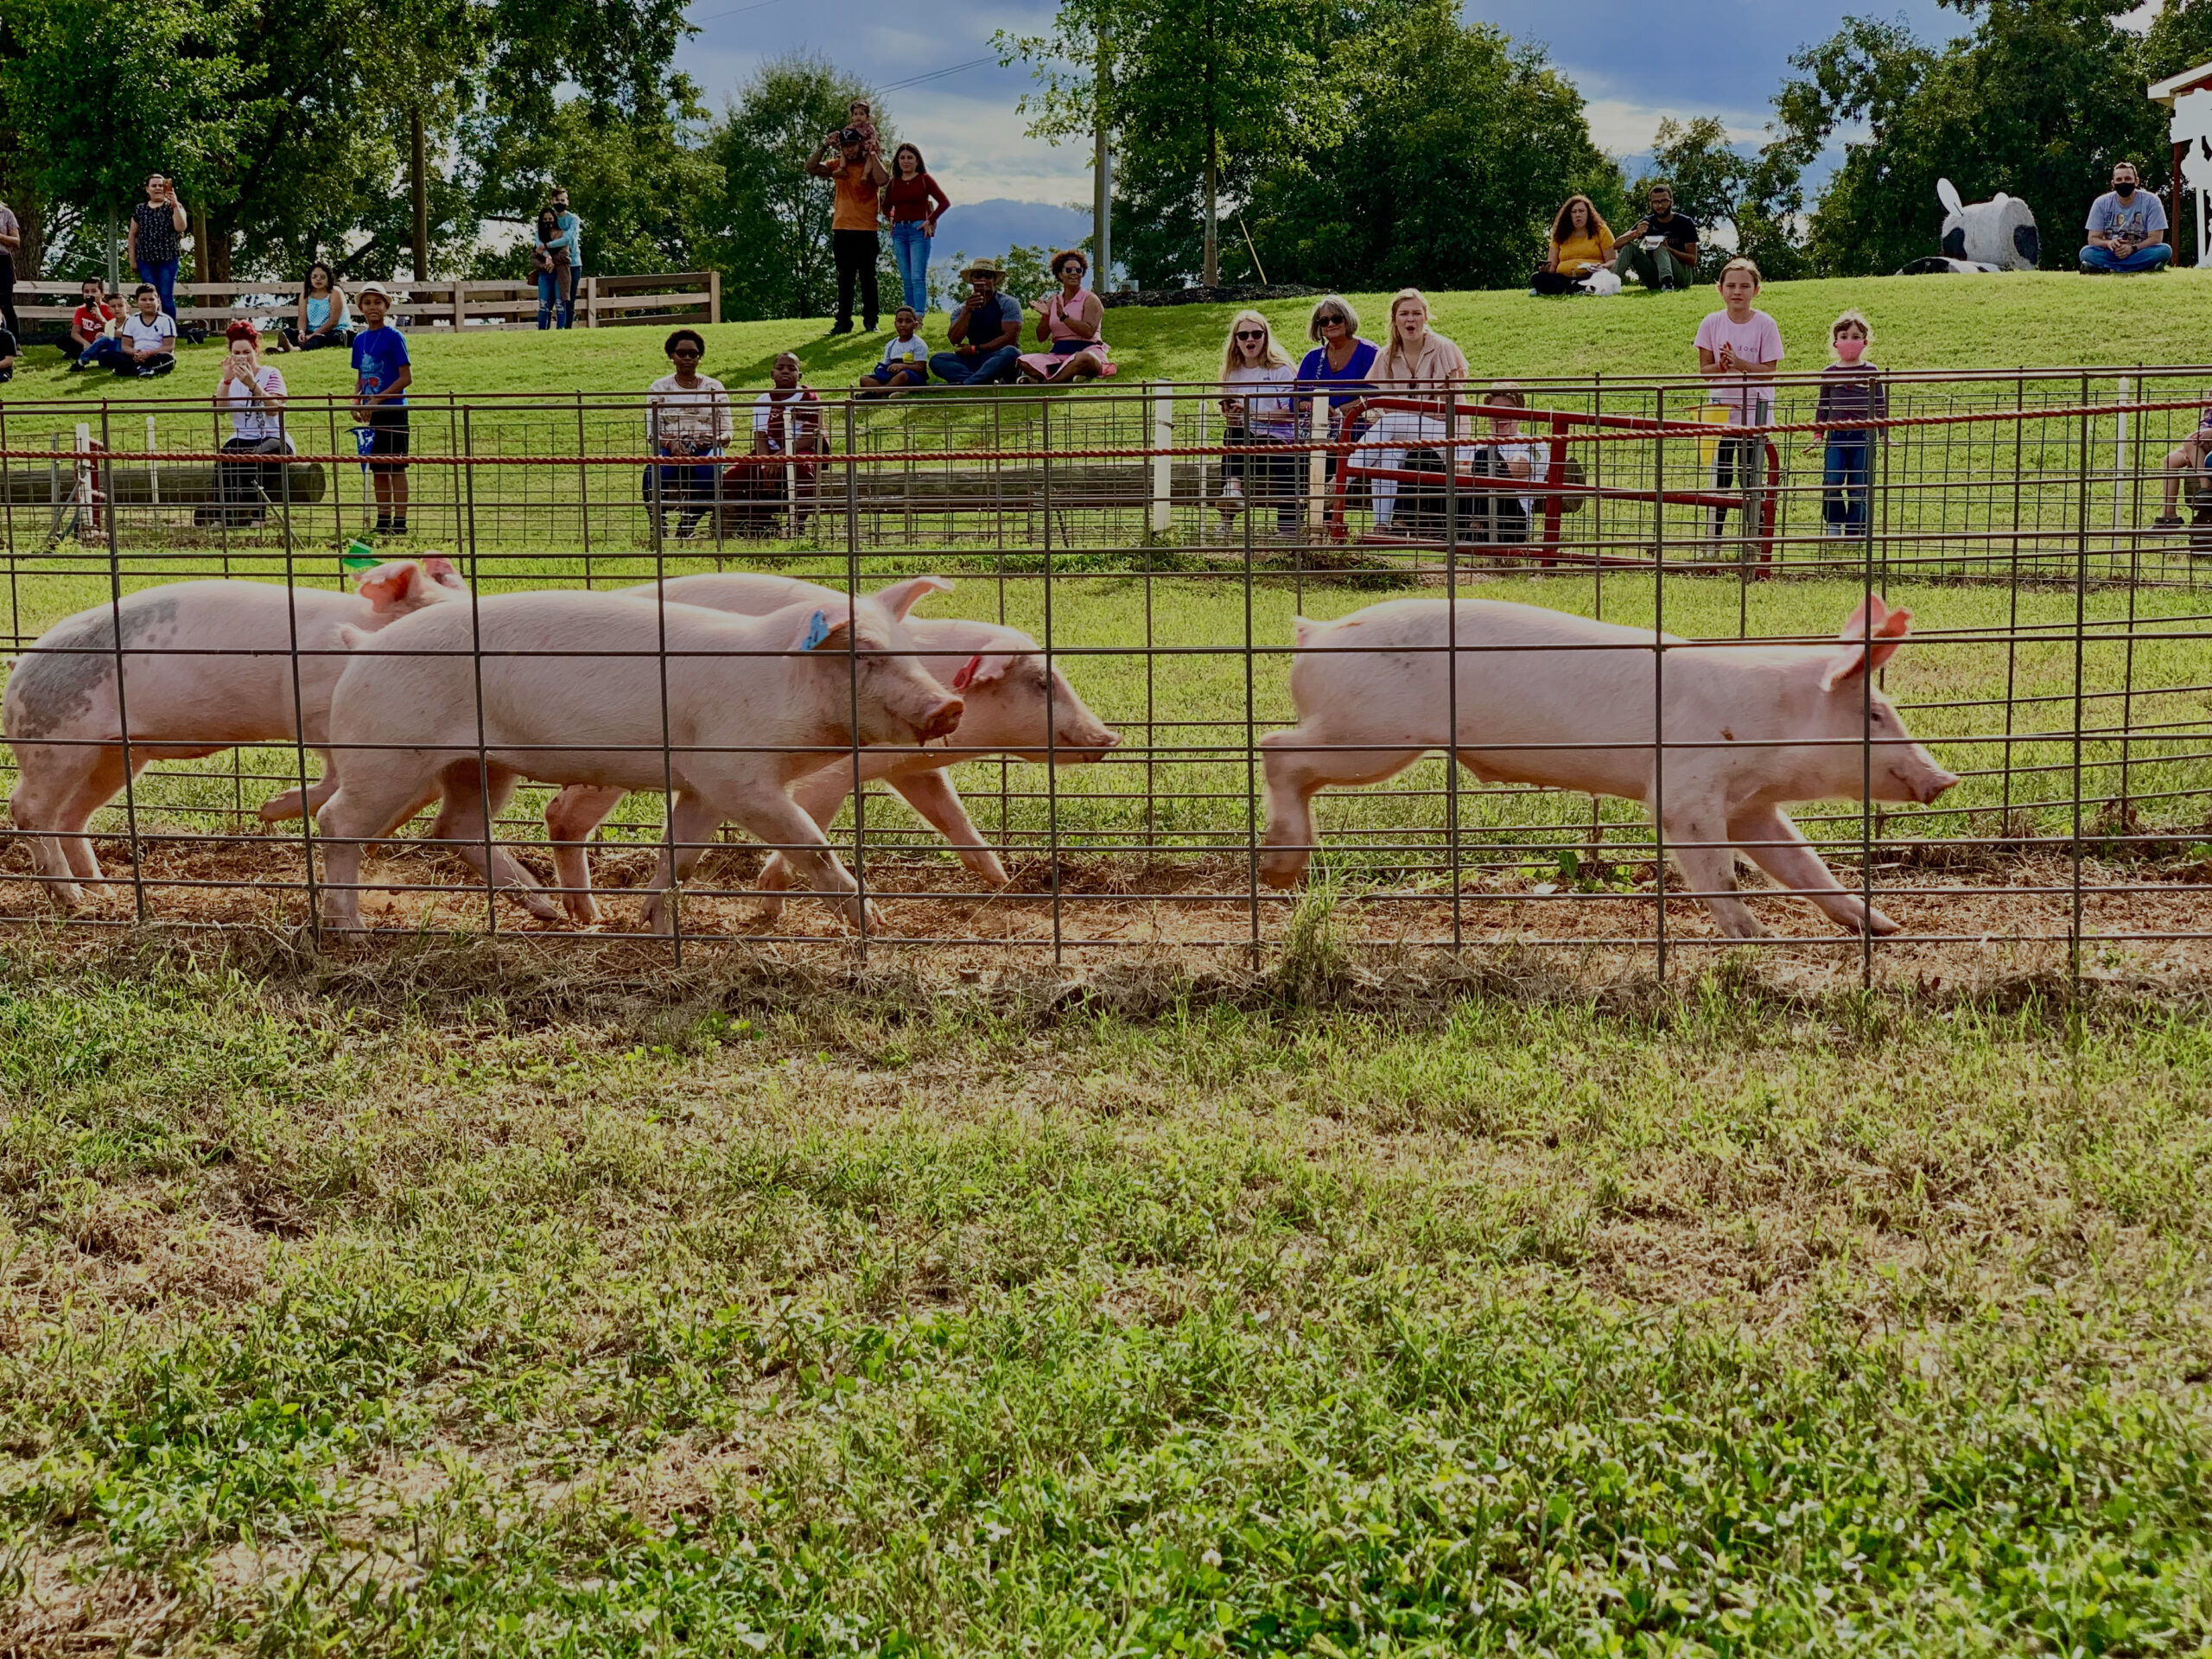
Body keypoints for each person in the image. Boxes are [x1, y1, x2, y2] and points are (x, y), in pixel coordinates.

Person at [1694, 257, 1783, 543]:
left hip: (1753, 416)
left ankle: (1753, 543)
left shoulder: (1766, 324)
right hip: (1721, 415)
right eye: (1731, 285)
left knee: (1750, 479)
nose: (1737, 292)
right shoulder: (1711, 322)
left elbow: (1769, 372)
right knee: (1720, 479)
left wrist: (1740, 362)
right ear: (1719, 289)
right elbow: (1705, 372)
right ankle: (1713, 542)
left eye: (1745, 286)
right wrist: (1722, 365)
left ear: (1756, 290)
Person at [1366, 288, 1468, 531]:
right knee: (1387, 453)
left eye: (1416, 313)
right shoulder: (1385, 356)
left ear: (1426, 317)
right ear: (1395, 320)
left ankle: (1340, 481)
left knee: (1389, 426)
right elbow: (1386, 407)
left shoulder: (1444, 348)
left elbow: (1450, 405)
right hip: (1406, 437)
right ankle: (1383, 525)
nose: (1410, 319)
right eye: (1403, 314)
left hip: (1447, 433)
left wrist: (1403, 417)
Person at [1213, 308, 1300, 532]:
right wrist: (1232, 415)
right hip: (1247, 443)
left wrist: (1251, 413)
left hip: (1281, 441)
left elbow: (1292, 412)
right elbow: (1234, 422)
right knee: (1232, 436)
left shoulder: (1280, 370)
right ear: (1236, 341)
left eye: (1256, 334)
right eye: (1243, 335)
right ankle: (1230, 502)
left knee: (1286, 462)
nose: (1250, 339)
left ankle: (1288, 528)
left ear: (1265, 337)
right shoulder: (1232, 373)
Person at [1804, 309, 1887, 537]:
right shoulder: (1829, 373)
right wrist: (1817, 436)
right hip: (1836, 436)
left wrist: (1883, 434)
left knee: (1860, 485)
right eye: (1844, 336)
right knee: (1832, 480)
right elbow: (1823, 407)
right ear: (1835, 341)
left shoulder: (1871, 371)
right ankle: (1833, 524)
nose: (1849, 341)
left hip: (1863, 436)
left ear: (1864, 341)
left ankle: (1855, 531)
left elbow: (1880, 405)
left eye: (1854, 336)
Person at [723, 351, 824, 534]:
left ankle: (797, 524)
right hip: (768, 452)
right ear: (772, 374)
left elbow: (811, 437)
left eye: (791, 369)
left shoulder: (808, 398)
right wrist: (765, 463)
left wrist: (783, 455)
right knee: (733, 476)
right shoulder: (763, 401)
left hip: (799, 451)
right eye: (780, 368)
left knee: (803, 469)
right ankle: (762, 521)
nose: (785, 372)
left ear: (799, 375)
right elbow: (760, 436)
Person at [646, 327, 731, 539]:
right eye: (681, 353)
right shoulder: (659, 388)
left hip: (706, 450)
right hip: (671, 449)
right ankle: (659, 525)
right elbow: (652, 432)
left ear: (700, 357)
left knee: (709, 471)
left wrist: (715, 440)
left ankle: (687, 525)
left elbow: (728, 431)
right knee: (653, 472)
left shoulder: (715, 387)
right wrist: (671, 444)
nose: (687, 358)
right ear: (671, 356)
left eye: (693, 354)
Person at [1294, 296, 1381, 499]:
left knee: (1331, 453)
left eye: (1336, 318)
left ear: (1347, 319)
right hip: (1318, 433)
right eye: (1324, 321)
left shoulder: (1369, 353)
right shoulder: (1312, 358)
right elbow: (1295, 400)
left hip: (1356, 430)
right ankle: (1299, 524)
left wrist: (1339, 412)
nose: (1330, 324)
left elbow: (1375, 395)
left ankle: (1330, 511)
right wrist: (1316, 407)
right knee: (1295, 458)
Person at [806, 125, 888, 334]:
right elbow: (810, 167)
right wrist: (825, 145)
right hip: (842, 228)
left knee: (868, 278)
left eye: (852, 145)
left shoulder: (870, 163)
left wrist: (872, 153)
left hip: (867, 229)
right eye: (845, 147)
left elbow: (883, 179)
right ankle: (843, 323)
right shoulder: (838, 166)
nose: (849, 150)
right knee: (845, 279)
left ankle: (871, 321)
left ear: (860, 143)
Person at [213, 321, 291, 527]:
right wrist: (227, 381)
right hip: (241, 436)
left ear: (256, 350)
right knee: (223, 458)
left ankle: (258, 516)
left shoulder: (271, 373)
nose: (242, 357)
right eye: (236, 352)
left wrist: (252, 384)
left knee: (253, 457)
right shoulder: (229, 380)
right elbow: (219, 410)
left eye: (247, 351)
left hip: (273, 436)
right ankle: (222, 515)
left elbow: (274, 408)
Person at [350, 282, 413, 536]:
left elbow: (405, 377)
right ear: (361, 308)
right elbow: (360, 377)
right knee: (377, 467)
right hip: (372, 412)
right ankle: (382, 519)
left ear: (386, 306)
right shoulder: (359, 340)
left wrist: (379, 400)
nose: (373, 307)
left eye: (378, 302)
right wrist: (357, 401)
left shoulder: (395, 337)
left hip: (394, 409)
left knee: (395, 466)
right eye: (368, 303)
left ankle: (400, 522)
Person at [1017, 250, 1112, 383]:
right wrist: (1046, 317)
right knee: (1024, 361)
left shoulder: (1091, 299)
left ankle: (1047, 382)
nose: (1074, 273)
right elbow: (1041, 337)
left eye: (1078, 270)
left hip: (1086, 351)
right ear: (1060, 274)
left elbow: (1089, 332)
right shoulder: (1053, 302)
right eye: (1069, 270)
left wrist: (1064, 318)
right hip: (1058, 355)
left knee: (1085, 359)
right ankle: (1068, 376)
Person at [880, 143, 950, 318]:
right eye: (902, 158)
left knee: (917, 277)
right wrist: (891, 218)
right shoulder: (894, 183)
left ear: (917, 160)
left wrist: (930, 220)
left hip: (918, 231)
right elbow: (885, 205)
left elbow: (944, 202)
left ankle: (919, 315)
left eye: (910, 158)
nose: (906, 161)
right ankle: (908, 316)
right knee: (906, 278)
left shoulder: (924, 179)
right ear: (897, 161)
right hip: (899, 232)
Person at [1472, 384, 1548, 544]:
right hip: (1470, 512)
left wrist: (1473, 468)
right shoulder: (1474, 445)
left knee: (1485, 457)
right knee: (1423, 454)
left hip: (1512, 524)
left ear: (1520, 414)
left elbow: (1513, 470)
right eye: (1495, 410)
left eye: (1508, 409)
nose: (1501, 415)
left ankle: (1476, 526)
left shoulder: (1535, 444)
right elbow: (1452, 471)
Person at [930, 259, 1023, 385]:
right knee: (937, 360)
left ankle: (964, 384)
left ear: (994, 280)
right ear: (972, 280)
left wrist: (976, 349)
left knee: (1012, 352)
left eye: (988, 276)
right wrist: (967, 311)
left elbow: (1010, 339)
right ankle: (983, 380)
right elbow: (954, 339)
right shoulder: (962, 309)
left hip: (997, 357)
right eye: (978, 276)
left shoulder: (1008, 303)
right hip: (973, 359)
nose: (983, 279)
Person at [2080, 161, 2171, 274]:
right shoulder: (2101, 203)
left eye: (2127, 179)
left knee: (2164, 250)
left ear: (2136, 181)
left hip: (2139, 251)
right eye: (2119, 180)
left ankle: (2109, 269)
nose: (2123, 182)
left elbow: (2156, 238)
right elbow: (2092, 239)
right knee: (2086, 252)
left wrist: (2133, 248)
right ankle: (2142, 268)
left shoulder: (2151, 201)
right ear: (2113, 184)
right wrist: (2109, 244)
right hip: (2112, 253)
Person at [1611, 182, 1700, 292]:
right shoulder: (1647, 222)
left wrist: (1668, 250)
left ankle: (1667, 282)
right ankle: (1611, 283)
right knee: (1629, 247)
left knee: (1658, 246)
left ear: (1671, 202)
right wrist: (1635, 233)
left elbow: (1692, 260)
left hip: (1681, 276)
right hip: (1654, 276)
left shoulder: (1685, 222)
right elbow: (1616, 245)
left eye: (1664, 201)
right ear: (1651, 204)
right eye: (1656, 202)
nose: (1660, 205)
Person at [128, 174, 188, 318]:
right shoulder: (140, 209)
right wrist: (132, 259)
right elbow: (132, 234)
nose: (158, 188)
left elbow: (181, 227)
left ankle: (169, 331)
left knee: (166, 296)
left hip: (168, 259)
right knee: (149, 297)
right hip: (145, 260)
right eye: (154, 186)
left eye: (161, 185)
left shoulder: (173, 207)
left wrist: (175, 204)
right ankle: (151, 329)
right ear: (147, 189)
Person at [1532, 195, 1614, 296]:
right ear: (1569, 215)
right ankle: (1572, 289)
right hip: (1563, 278)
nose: (1578, 215)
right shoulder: (1559, 234)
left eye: (1581, 211)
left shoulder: (1602, 230)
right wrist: (1545, 270)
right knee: (1536, 277)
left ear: (1589, 213)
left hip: (1591, 275)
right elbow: (1552, 266)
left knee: (1600, 277)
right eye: (1574, 212)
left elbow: (1613, 261)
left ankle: (1568, 290)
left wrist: (1602, 266)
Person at [276, 262, 350, 353]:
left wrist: (313, 335)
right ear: (309, 278)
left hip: (335, 331)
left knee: (319, 339)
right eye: (314, 276)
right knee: (288, 332)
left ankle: (297, 349)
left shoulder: (335, 292)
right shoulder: (306, 294)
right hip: (311, 331)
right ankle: (281, 349)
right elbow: (302, 318)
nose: (318, 279)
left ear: (328, 279)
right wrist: (302, 332)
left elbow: (333, 322)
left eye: (322, 277)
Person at [857, 305, 930, 395]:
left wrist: (902, 366)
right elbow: (886, 364)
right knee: (864, 379)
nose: (903, 325)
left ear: (915, 325)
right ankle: (890, 391)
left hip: (911, 376)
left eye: (908, 322)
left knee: (903, 375)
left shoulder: (919, 344)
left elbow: (921, 368)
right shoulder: (891, 345)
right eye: (900, 321)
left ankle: (878, 393)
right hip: (892, 377)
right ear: (895, 324)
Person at [111, 283, 177, 377]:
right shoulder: (131, 320)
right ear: (137, 302)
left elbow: (169, 347)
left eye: (151, 299)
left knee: (169, 359)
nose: (148, 303)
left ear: (158, 301)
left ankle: (136, 369)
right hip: (136, 357)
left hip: (156, 356)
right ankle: (142, 369)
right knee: (110, 356)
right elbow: (125, 346)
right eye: (143, 300)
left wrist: (148, 353)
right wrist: (136, 353)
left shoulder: (166, 320)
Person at [533, 205, 577, 329]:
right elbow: (534, 255)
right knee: (543, 304)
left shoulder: (561, 234)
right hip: (545, 274)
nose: (548, 222)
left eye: (550, 219)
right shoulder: (538, 236)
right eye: (545, 220)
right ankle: (541, 330)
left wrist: (551, 261)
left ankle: (560, 330)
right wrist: (545, 263)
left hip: (560, 273)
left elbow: (565, 255)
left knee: (560, 303)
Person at [65, 279, 118, 367]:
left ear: (102, 294)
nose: (90, 294)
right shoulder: (80, 310)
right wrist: (85, 343)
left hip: (101, 341)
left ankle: (84, 355)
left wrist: (100, 317)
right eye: (86, 292)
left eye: (94, 291)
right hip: (85, 342)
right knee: (63, 339)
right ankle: (86, 353)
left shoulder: (109, 309)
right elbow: (74, 333)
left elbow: (114, 331)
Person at [0, 193, 20, 340]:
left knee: (5, 302)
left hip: (2, 260)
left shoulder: (6, 214)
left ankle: (15, 342)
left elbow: (16, 241)